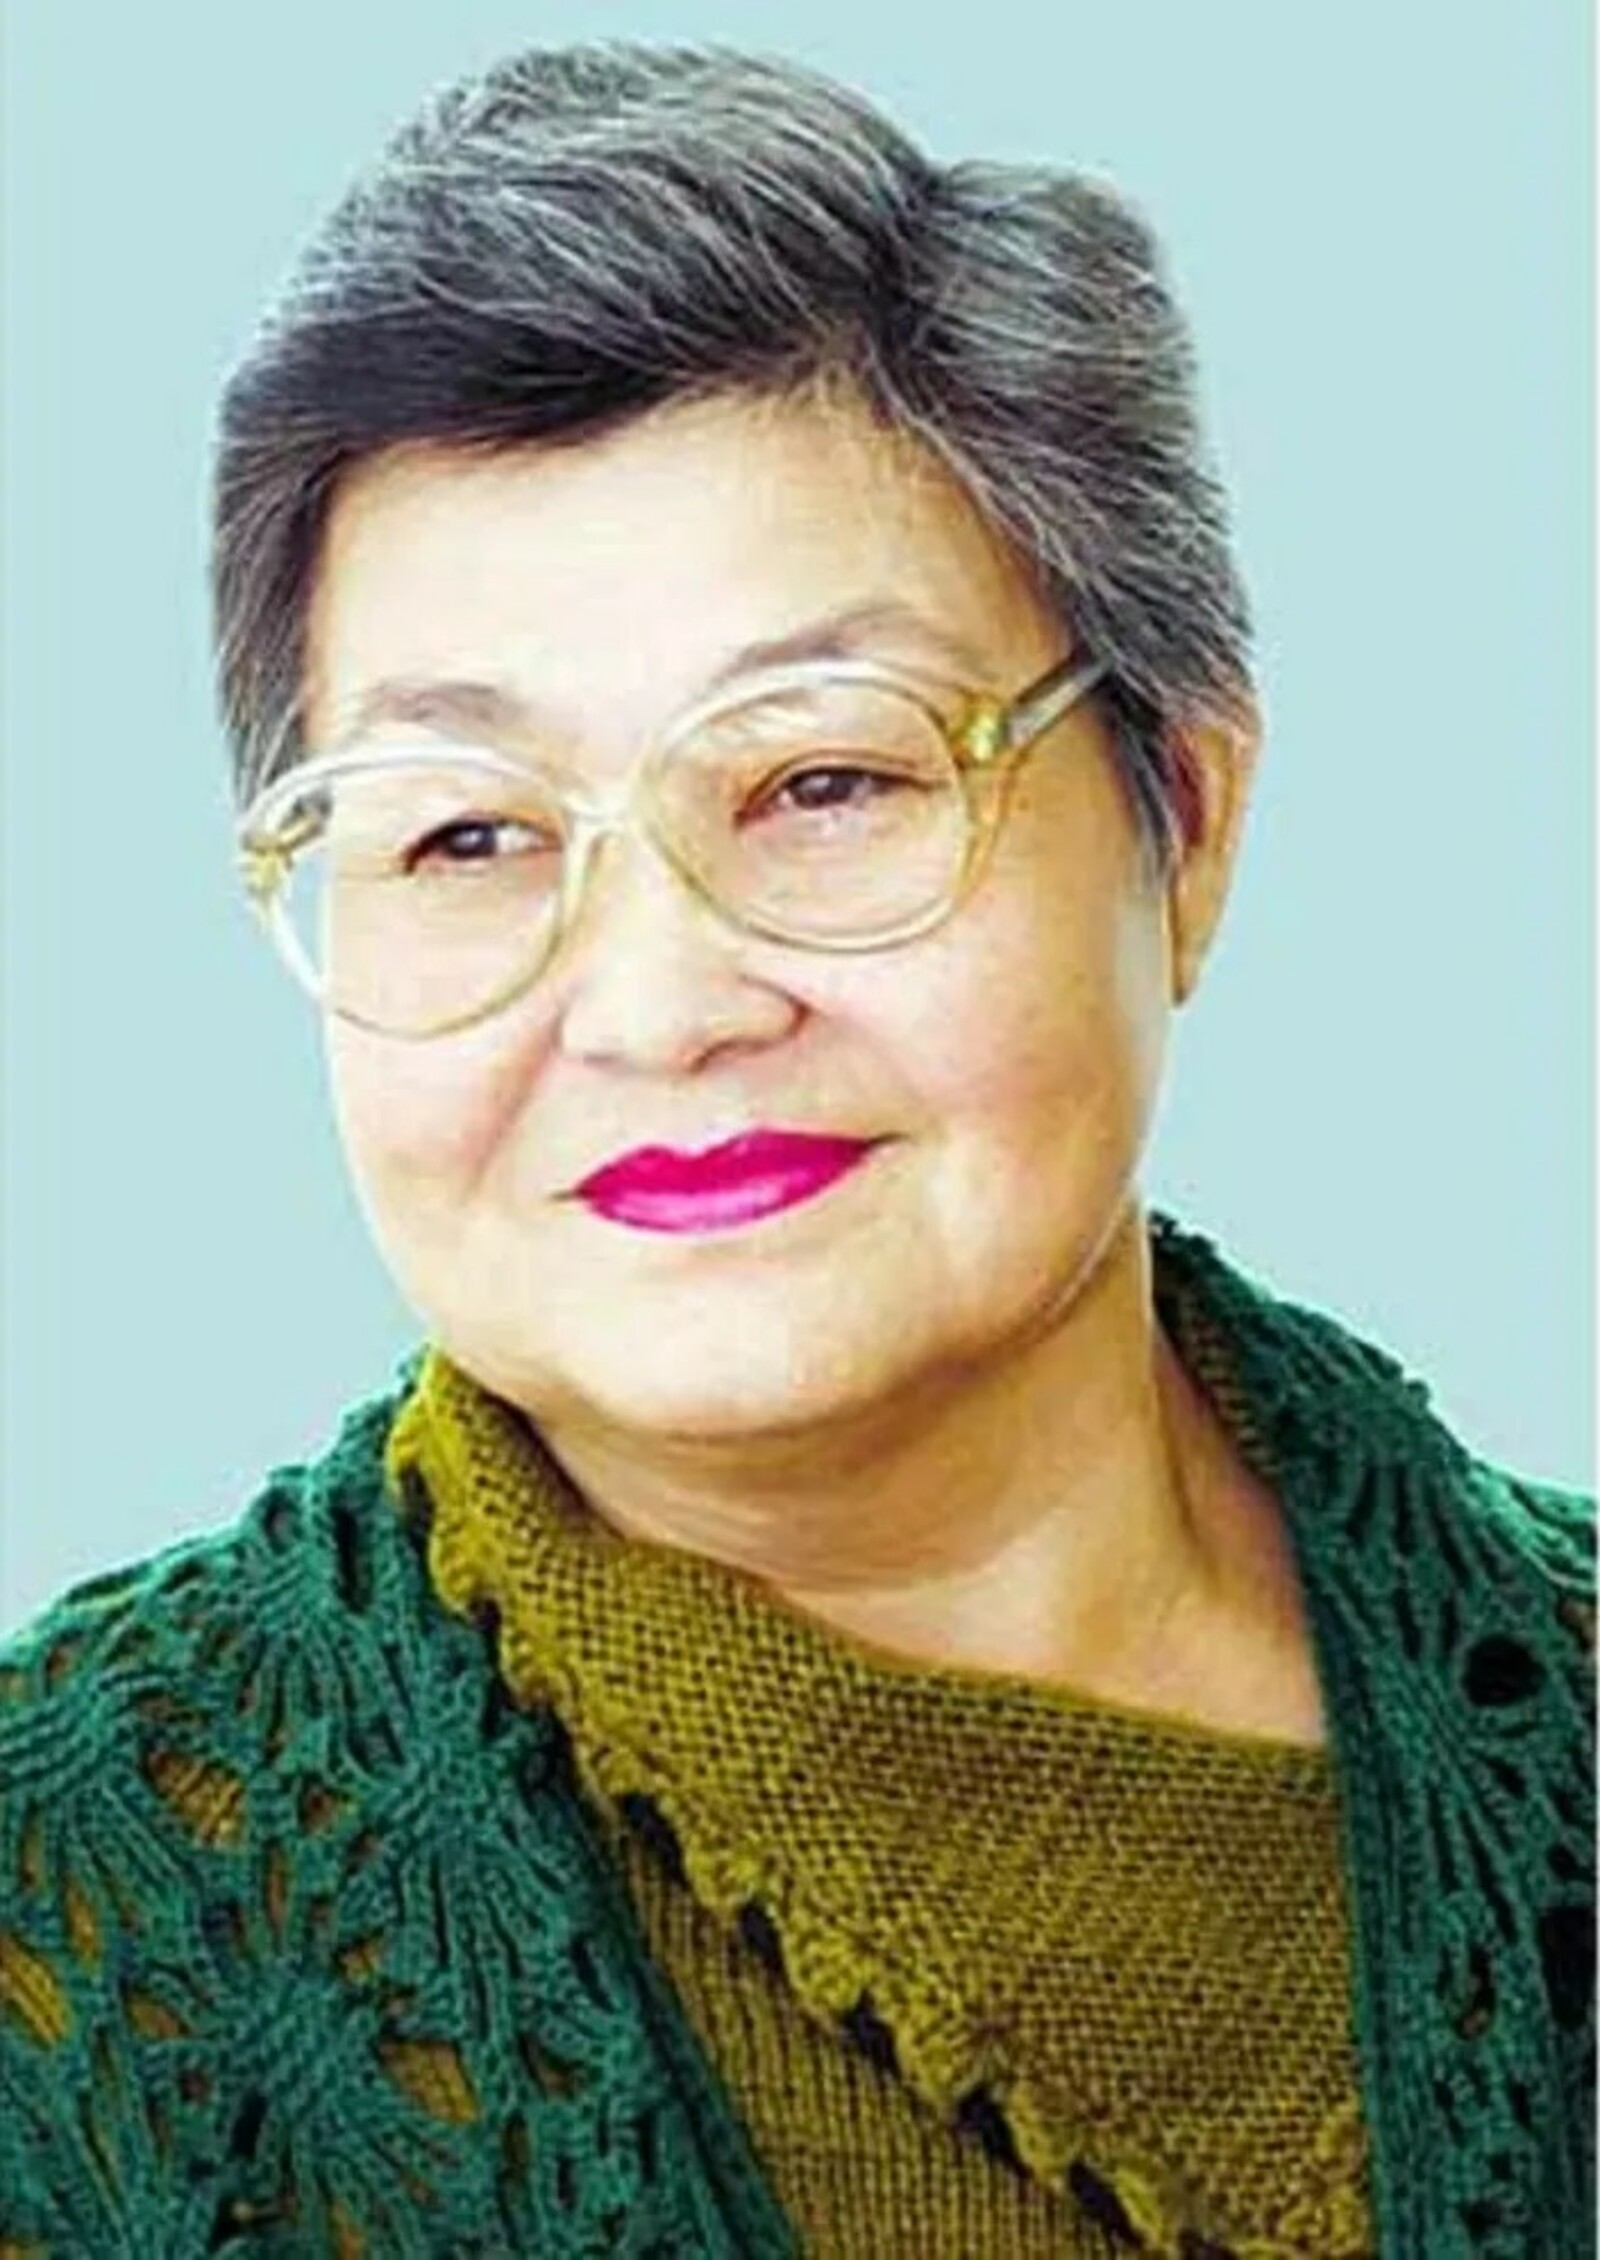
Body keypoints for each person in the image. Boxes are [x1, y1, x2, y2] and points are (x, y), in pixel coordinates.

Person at [0, 40, 1592, 2260]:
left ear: (1187, 816)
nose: (658, 1003)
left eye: (826, 780)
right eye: (463, 832)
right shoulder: (73, 1931)